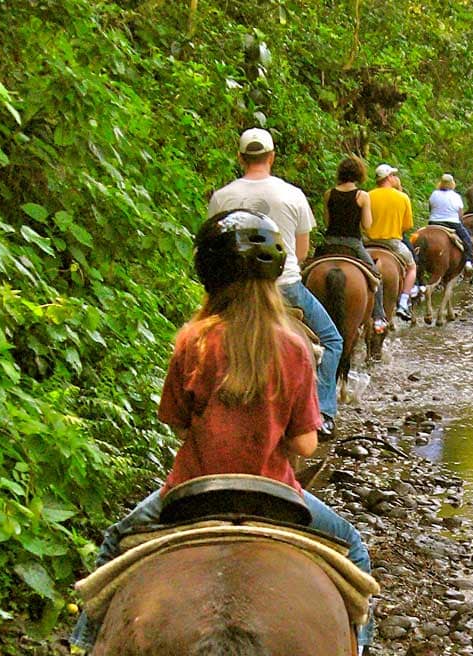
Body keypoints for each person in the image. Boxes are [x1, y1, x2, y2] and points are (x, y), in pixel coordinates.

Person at [70, 210, 373, 652]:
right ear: (272, 277)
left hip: (190, 492)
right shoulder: (293, 347)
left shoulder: (192, 339)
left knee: (115, 541)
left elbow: (176, 422)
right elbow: (306, 442)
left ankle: (80, 642)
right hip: (277, 496)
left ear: (208, 276)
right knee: (356, 552)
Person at [206, 128, 340, 437]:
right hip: (286, 287)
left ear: (240, 158)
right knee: (333, 341)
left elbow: (214, 246)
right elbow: (303, 251)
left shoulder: (222, 197)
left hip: (233, 289)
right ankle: (324, 413)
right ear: (272, 157)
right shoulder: (292, 194)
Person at [317, 156, 387, 334]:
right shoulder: (361, 196)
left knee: (304, 272)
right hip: (353, 244)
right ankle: (379, 317)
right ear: (358, 174)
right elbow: (367, 225)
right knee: (376, 276)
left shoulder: (329, 194)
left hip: (329, 242)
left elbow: (327, 221)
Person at [365, 164, 418, 321]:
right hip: (393, 243)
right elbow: (407, 225)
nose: (396, 178)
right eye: (394, 175)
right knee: (412, 267)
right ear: (388, 177)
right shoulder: (402, 197)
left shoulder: (367, 195)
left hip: (368, 241)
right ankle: (403, 303)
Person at [427, 173, 473, 274]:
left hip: (433, 222)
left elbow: (430, 209)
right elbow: (460, 214)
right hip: (452, 223)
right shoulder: (456, 196)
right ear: (452, 184)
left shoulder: (434, 194)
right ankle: (468, 261)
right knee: (467, 240)